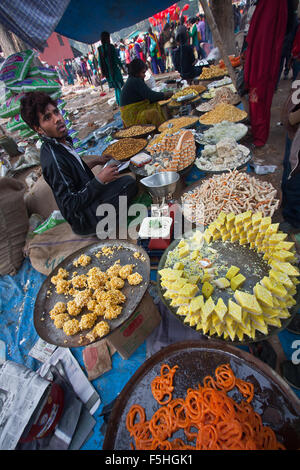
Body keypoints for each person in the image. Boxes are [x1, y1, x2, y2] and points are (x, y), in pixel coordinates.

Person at [20, 91, 137, 236]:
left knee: (124, 181)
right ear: (38, 129)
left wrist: (96, 162)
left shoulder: (63, 142)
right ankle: (103, 226)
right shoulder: (53, 159)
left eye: (56, 112)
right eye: (47, 118)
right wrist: (99, 180)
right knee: (128, 183)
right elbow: (70, 204)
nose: (57, 119)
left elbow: (74, 174)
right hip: (83, 219)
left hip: (87, 201)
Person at [244, 0, 288, 147]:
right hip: (258, 60)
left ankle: (260, 137)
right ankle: (258, 133)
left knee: (258, 101)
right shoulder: (265, 5)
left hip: (262, 63)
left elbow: (266, 37)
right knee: (256, 101)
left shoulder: (273, 5)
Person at [120, 58, 172, 128]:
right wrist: (166, 94)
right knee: (153, 113)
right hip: (132, 116)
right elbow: (151, 96)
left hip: (137, 110)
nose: (144, 75)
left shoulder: (133, 79)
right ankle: (162, 131)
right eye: (143, 73)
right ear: (136, 72)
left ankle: (163, 126)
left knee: (156, 105)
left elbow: (148, 95)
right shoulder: (135, 81)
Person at [98, 31, 126, 106]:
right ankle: (121, 103)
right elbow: (116, 59)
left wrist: (102, 73)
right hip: (114, 71)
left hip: (108, 73)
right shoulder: (111, 47)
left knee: (116, 88)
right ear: (107, 38)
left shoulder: (100, 49)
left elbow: (100, 62)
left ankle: (119, 102)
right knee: (119, 87)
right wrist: (122, 67)